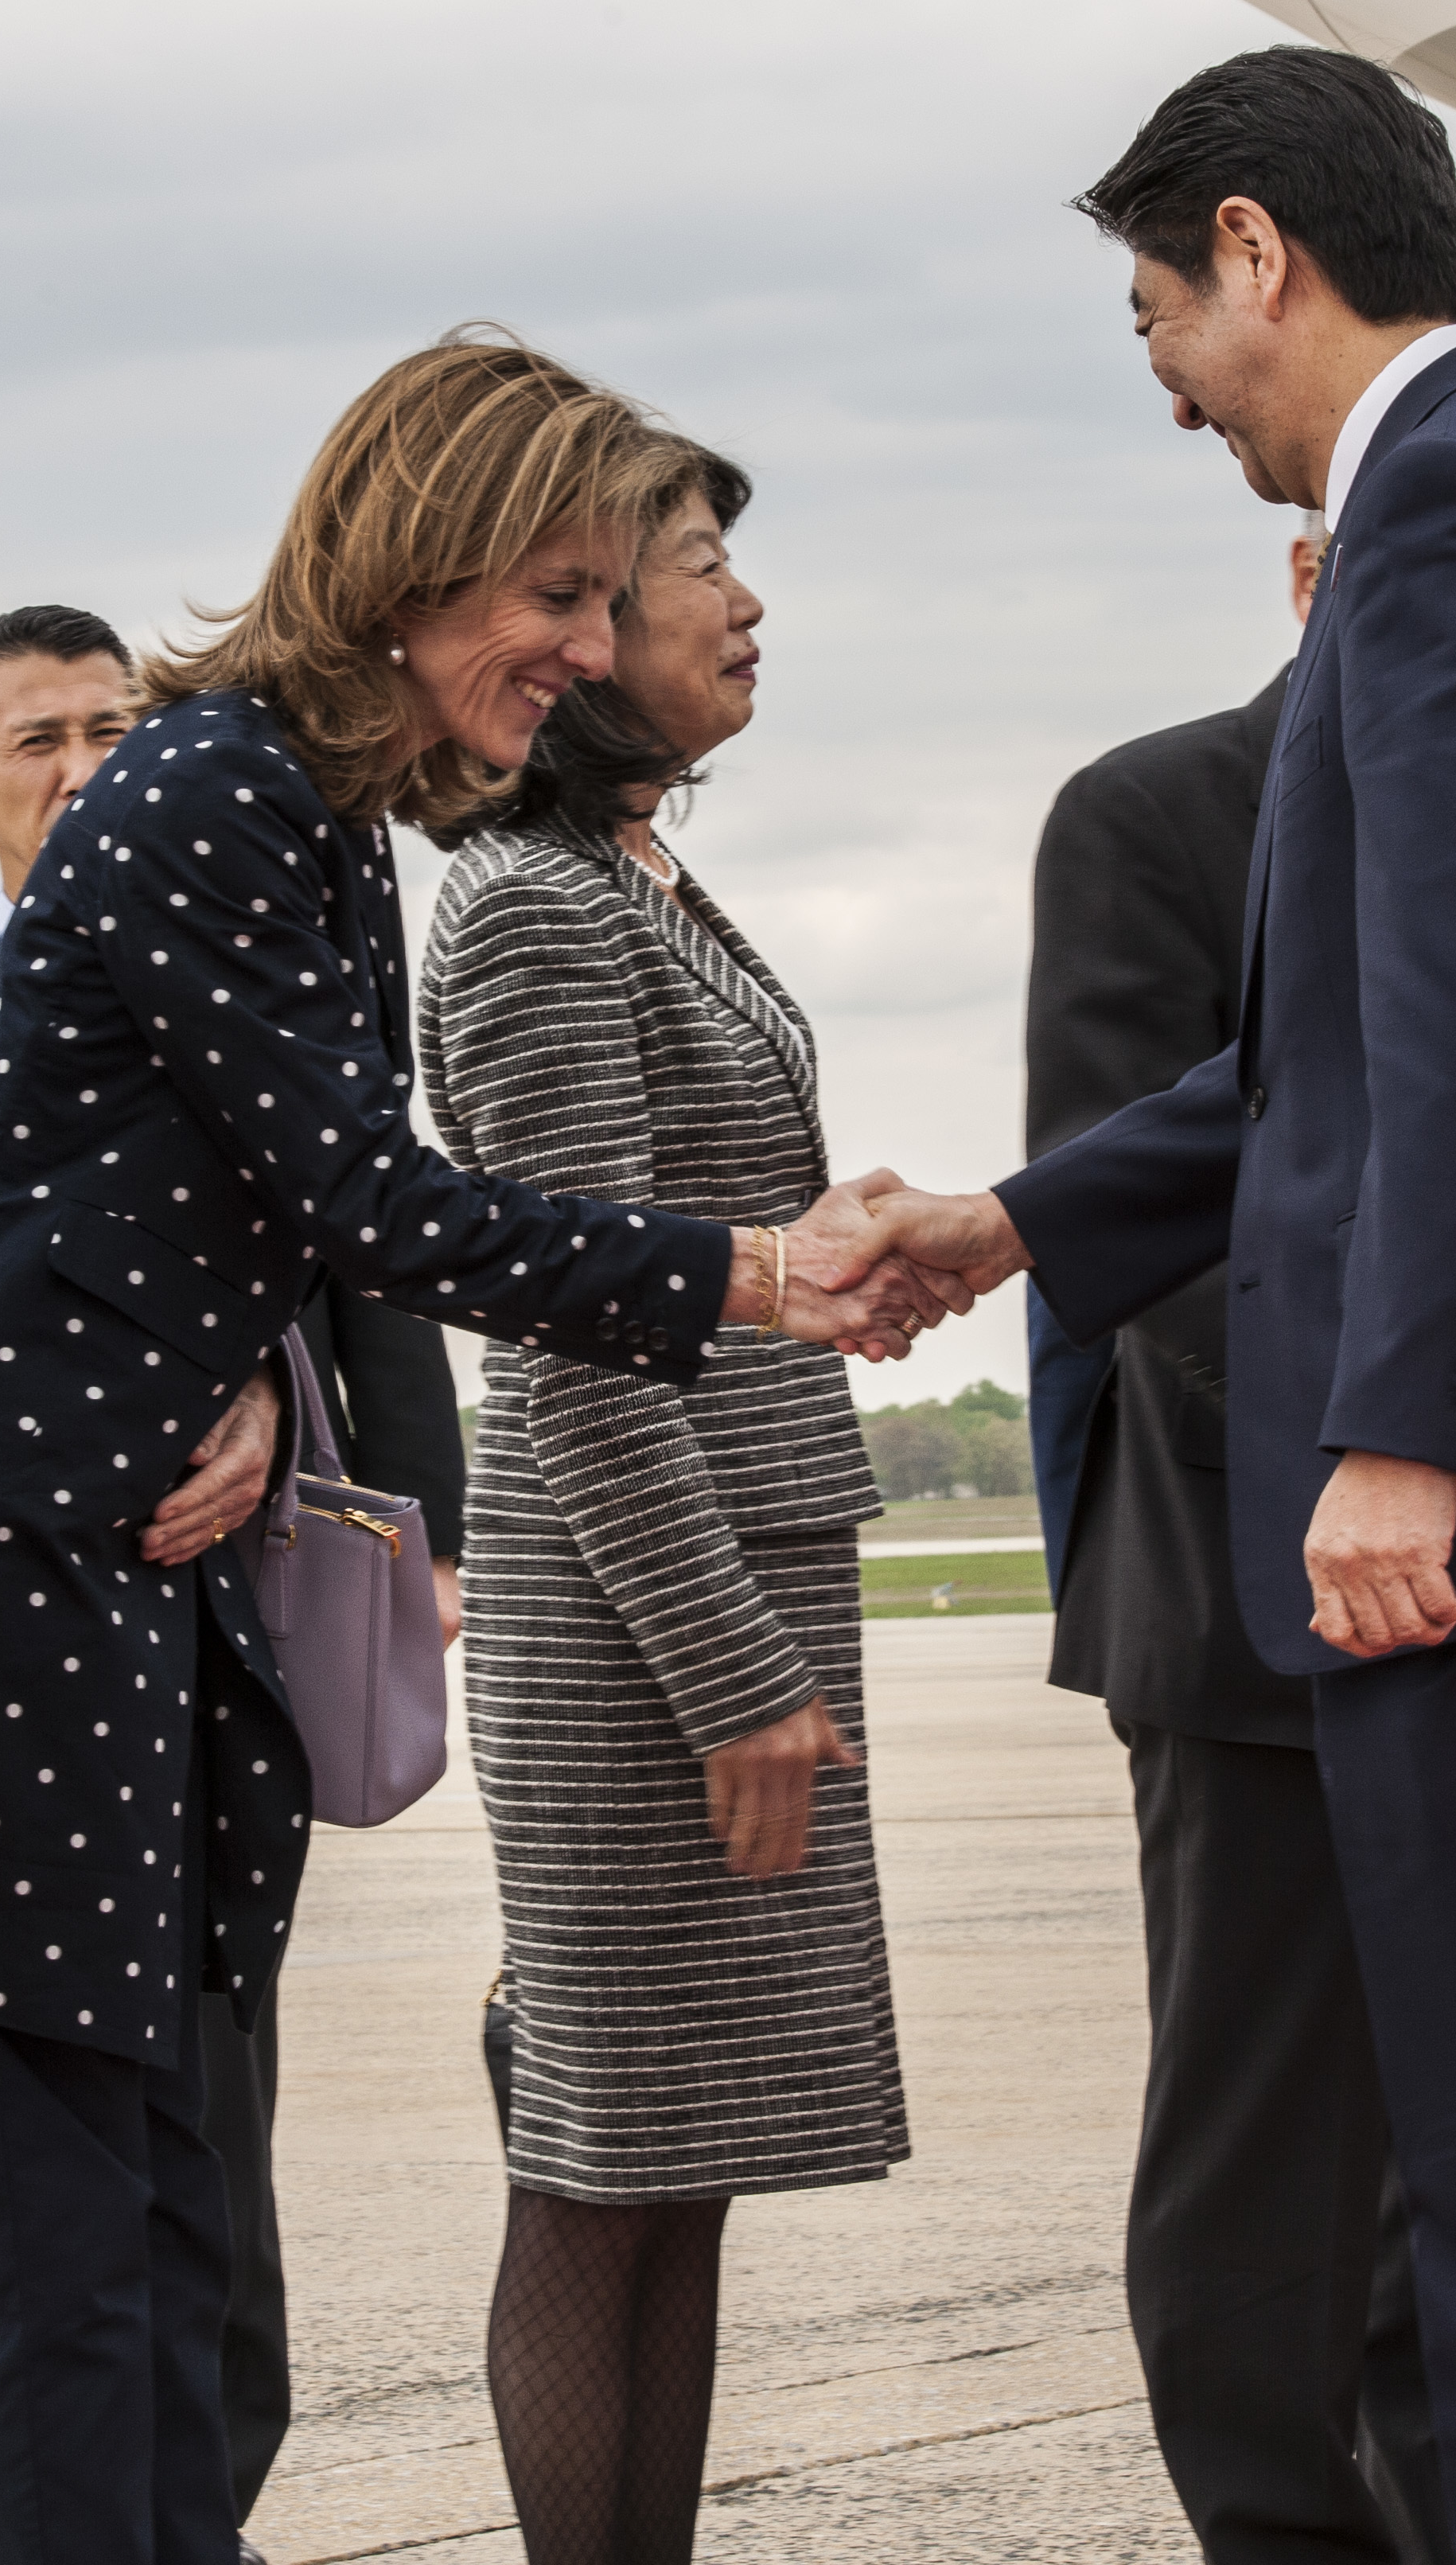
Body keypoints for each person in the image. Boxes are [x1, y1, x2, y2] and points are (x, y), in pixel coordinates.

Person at [0, 340, 937, 2565]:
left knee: (159, 2273)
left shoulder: (306, 826)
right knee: (65, 2295)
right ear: (416, 567)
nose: (585, 655)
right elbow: (375, 1206)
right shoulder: (221, 790)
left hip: (125, 1585)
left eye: (605, 605)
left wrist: (238, 1372)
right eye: (554, 597)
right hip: (16, 1603)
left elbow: (224, 1200)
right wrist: (743, 1273)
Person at [858, 46, 1456, 2565]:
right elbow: (1329, 1059)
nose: (1168, 378)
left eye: (1160, 313)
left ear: (1258, 250)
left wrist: (1408, 1430)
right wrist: (1015, 1224)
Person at [0, 604, 477, 2558]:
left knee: (203, 2181)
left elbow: (362, 1248)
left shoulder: (239, 960)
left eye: (119, 722)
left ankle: (193, 2502)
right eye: (40, 739)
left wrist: (359, 1472)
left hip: (199, 1686)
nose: (89, 763)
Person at [417, 437, 913, 2565]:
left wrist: (822, 1260)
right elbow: (568, 1334)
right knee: (603, 2161)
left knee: (679, 2159)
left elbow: (679, 1255)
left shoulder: (629, 878)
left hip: (713, 1576)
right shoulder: (530, 912)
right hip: (642, 1619)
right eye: (696, 570)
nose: (741, 607)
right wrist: (732, 1682)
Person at [1026, 523, 1448, 2564]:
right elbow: (1137, 1235)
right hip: (1246, 1587)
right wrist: (1376, 1466)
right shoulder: (1151, 813)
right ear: (1307, 578)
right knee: (1265, 2151)